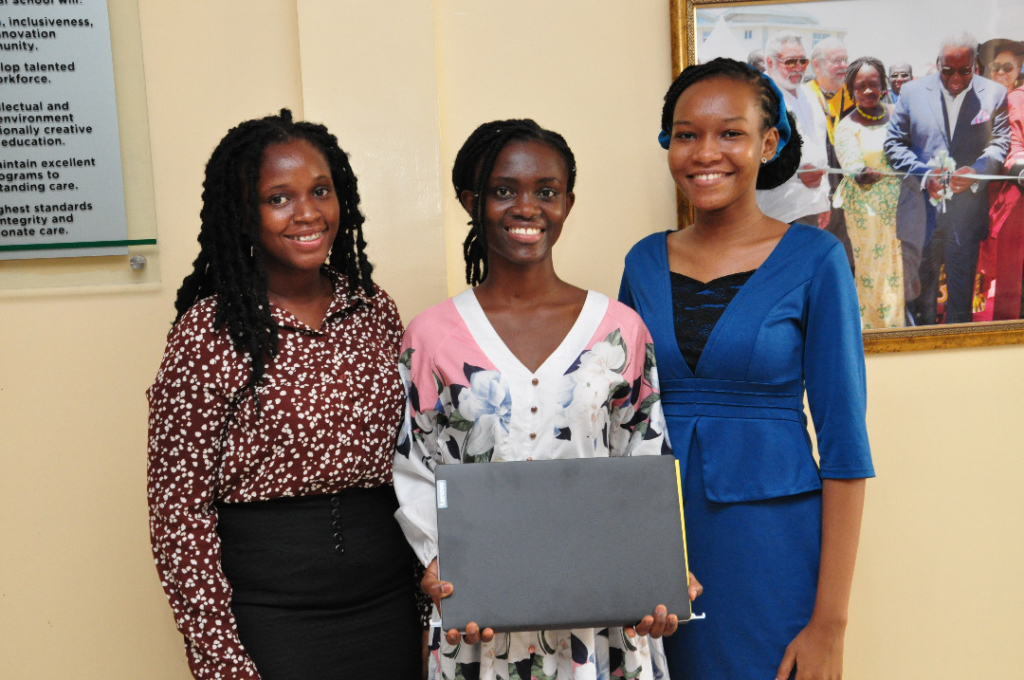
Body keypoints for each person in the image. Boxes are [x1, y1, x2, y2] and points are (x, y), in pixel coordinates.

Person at [393, 119, 699, 680]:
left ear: (567, 203)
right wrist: (441, 563)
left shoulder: (620, 330)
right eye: (503, 190)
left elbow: (644, 460)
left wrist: (658, 570)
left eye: (546, 191)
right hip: (480, 625)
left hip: (602, 626)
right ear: (471, 201)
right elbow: (416, 465)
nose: (526, 207)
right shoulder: (431, 336)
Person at [622, 57, 874, 680]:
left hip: (771, 553)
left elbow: (845, 448)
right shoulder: (642, 263)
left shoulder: (816, 260)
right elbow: (620, 424)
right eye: (687, 134)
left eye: (730, 133)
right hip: (658, 548)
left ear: (768, 143)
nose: (706, 152)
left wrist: (830, 624)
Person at [147, 110, 422, 679]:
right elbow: (178, 510)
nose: (308, 213)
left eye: (320, 191)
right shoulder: (208, 333)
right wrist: (220, 658)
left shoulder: (373, 309)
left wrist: (426, 608)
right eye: (279, 198)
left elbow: (411, 462)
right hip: (271, 615)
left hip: (388, 605)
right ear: (243, 214)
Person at [884, 32, 1011, 324]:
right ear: (938, 62)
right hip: (920, 215)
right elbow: (894, 144)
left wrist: (976, 171)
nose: (955, 78)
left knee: (961, 301)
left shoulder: (994, 94)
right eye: (947, 70)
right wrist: (924, 174)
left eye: (964, 71)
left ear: (975, 65)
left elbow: (1000, 143)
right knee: (919, 302)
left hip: (966, 218)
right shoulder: (912, 92)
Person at [833, 57, 905, 328]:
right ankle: (873, 333)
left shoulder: (897, 114)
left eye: (873, 84)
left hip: (902, 209)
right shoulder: (847, 127)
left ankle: (899, 330)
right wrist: (862, 173)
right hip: (867, 213)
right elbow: (851, 165)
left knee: (900, 271)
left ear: (883, 85)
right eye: (860, 86)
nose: (867, 91)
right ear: (851, 90)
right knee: (874, 274)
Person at [758, 33, 831, 228]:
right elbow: (754, 159)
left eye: (802, 61)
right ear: (770, 62)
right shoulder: (759, 100)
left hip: (811, 207)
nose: (798, 67)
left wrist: (824, 201)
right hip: (777, 211)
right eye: (790, 62)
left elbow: (820, 152)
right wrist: (796, 174)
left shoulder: (810, 96)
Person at [975, 39, 1024, 320]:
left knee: (1010, 273)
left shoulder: (1017, 99)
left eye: (1009, 67)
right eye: (996, 67)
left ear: (1018, 70)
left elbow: (1016, 146)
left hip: (1010, 194)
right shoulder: (979, 100)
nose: (1002, 72)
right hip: (978, 190)